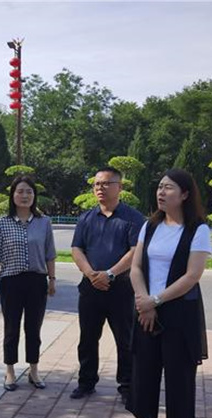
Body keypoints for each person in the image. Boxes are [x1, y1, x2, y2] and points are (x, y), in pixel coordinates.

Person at [123, 168, 211, 418]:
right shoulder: (150, 226)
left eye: (169, 187)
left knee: (179, 373)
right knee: (142, 370)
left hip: (179, 311)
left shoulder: (198, 229)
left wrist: (155, 301)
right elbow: (136, 268)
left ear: (185, 194)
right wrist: (143, 300)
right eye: (160, 186)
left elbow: (192, 276)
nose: (161, 192)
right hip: (145, 307)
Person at [70, 167, 146, 402]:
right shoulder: (86, 218)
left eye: (105, 183)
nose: (100, 188)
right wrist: (91, 274)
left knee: (125, 340)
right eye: (96, 184)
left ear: (119, 187)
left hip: (121, 289)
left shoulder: (133, 218)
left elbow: (135, 251)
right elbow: (77, 249)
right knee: (87, 338)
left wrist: (110, 274)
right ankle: (86, 382)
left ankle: (127, 386)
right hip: (90, 287)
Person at [0, 176, 57, 391]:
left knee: (34, 328)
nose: (25, 196)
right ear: (13, 195)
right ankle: (9, 371)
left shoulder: (44, 222)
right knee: (11, 328)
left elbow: (50, 253)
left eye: (29, 191)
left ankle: (33, 370)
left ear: (34, 195)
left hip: (37, 281)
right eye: (20, 191)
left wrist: (52, 279)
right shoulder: (1, 223)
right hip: (11, 281)